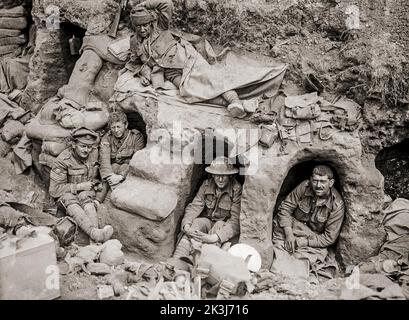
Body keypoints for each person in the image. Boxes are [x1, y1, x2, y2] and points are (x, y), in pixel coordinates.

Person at [127, 0, 287, 119]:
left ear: (151, 23)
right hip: (168, 72)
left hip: (185, 57)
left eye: (145, 25)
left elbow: (167, 3)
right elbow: (135, 62)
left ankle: (235, 99)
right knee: (190, 93)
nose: (142, 29)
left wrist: (145, 5)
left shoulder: (161, 26)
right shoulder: (134, 41)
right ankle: (234, 105)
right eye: (139, 26)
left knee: (211, 78)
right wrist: (144, 73)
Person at [271, 165, 345, 277]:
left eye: (323, 182)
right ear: (311, 180)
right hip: (293, 227)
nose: (318, 185)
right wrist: (289, 234)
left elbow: (329, 238)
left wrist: (302, 242)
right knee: (278, 230)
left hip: (312, 238)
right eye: (315, 181)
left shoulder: (337, 204)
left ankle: (291, 272)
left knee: (311, 256)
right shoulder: (304, 187)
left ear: (331, 182)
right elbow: (285, 208)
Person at [49, 127, 114, 243]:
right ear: (74, 144)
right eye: (83, 146)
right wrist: (79, 187)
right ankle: (95, 234)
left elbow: (103, 169)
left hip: (86, 195)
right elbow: (54, 190)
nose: (86, 150)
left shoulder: (94, 153)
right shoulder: (63, 160)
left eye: (89, 147)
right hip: (67, 198)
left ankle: (95, 239)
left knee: (85, 196)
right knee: (70, 198)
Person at [172, 156, 242, 259]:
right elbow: (195, 206)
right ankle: (177, 260)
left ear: (230, 176)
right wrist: (186, 225)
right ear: (213, 174)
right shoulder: (206, 185)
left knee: (219, 224)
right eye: (218, 175)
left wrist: (214, 237)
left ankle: (201, 260)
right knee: (197, 223)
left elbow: (235, 221)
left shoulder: (236, 189)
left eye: (224, 176)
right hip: (208, 222)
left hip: (223, 228)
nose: (221, 179)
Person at [98, 111, 145, 202]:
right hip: (112, 170)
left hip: (128, 170)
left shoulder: (136, 137)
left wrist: (121, 176)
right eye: (113, 127)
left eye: (118, 126)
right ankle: (98, 200)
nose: (116, 130)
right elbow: (104, 159)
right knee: (113, 166)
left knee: (123, 166)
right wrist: (109, 176)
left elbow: (137, 161)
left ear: (126, 125)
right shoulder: (107, 137)